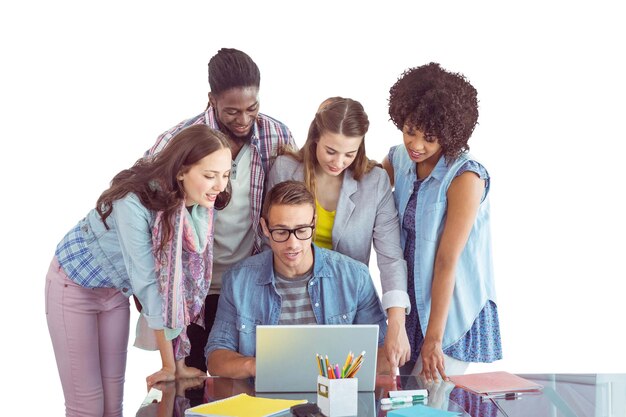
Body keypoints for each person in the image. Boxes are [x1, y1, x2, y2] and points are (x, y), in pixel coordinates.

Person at [46, 125, 231, 417]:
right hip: (74, 285)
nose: (220, 185)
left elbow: (178, 289)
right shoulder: (133, 202)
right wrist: (169, 365)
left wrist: (178, 363)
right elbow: (149, 284)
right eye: (210, 176)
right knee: (89, 406)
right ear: (181, 172)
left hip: (115, 292)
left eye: (226, 174)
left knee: (113, 404)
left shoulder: (197, 207)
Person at [145, 48, 296, 372]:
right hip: (195, 287)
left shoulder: (276, 134)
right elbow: (143, 203)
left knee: (250, 378)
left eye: (252, 108)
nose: (243, 120)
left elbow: (292, 199)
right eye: (232, 111)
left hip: (249, 282)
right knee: (195, 382)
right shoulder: (180, 140)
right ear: (212, 99)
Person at [267, 97, 410, 374]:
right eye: (331, 151)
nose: (339, 162)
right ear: (315, 137)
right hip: (289, 296)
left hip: (345, 300)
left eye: (350, 153)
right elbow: (269, 238)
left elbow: (391, 257)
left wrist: (397, 323)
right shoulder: (285, 169)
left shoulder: (375, 181)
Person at [382, 63, 502, 382]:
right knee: (401, 402)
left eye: (430, 138)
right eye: (410, 131)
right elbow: (363, 186)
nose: (416, 145)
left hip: (449, 310)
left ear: (449, 134)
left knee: (433, 401)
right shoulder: (398, 158)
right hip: (408, 301)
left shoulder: (466, 177)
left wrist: (434, 339)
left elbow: (447, 261)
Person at [205, 181, 389, 378]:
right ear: (265, 228)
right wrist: (255, 366)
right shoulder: (238, 281)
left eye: (302, 231)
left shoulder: (355, 277)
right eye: (281, 232)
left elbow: (384, 353)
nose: (293, 244)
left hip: (334, 398)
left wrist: (342, 380)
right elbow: (215, 358)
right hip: (262, 403)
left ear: (314, 224)